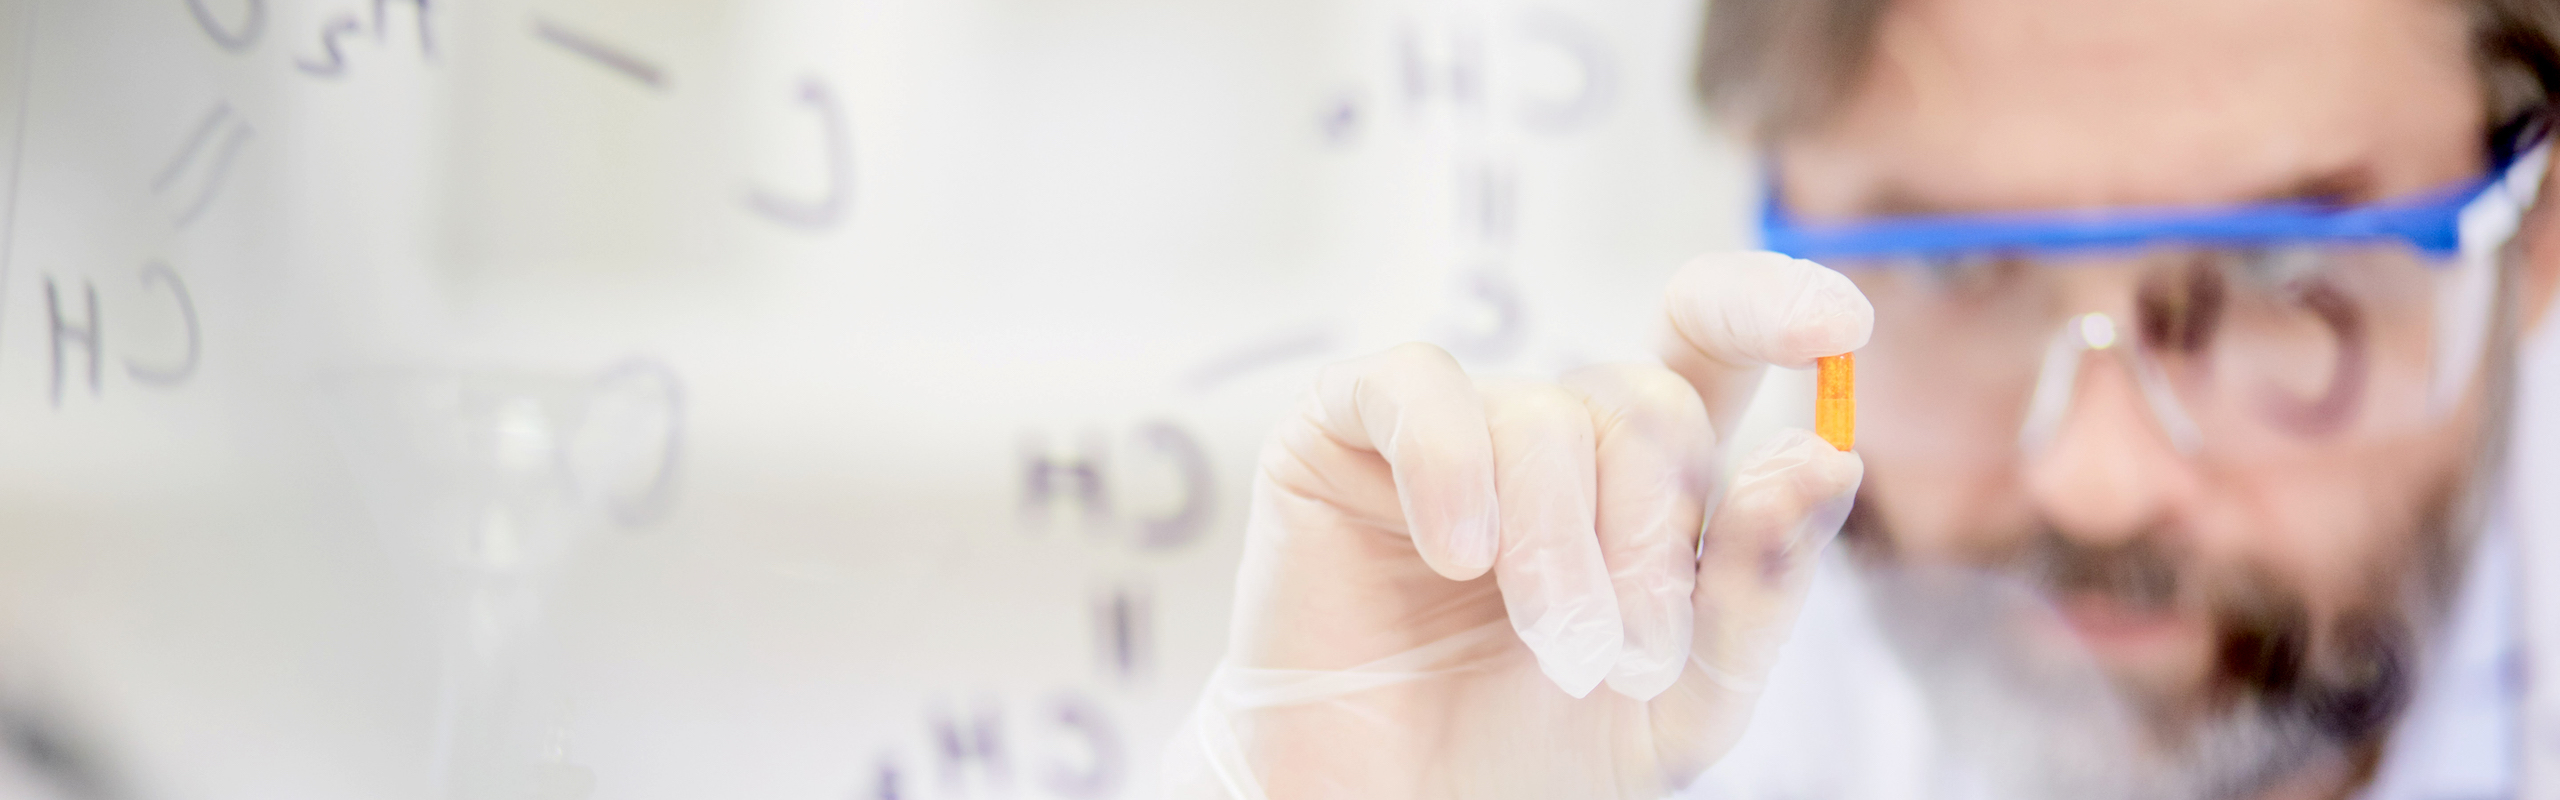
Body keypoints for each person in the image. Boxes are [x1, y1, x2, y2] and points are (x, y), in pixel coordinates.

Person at [1166, 0, 2560, 797]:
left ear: (2539, 234)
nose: (2097, 482)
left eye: (2277, 276)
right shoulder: (1625, 711)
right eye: (1957, 271)